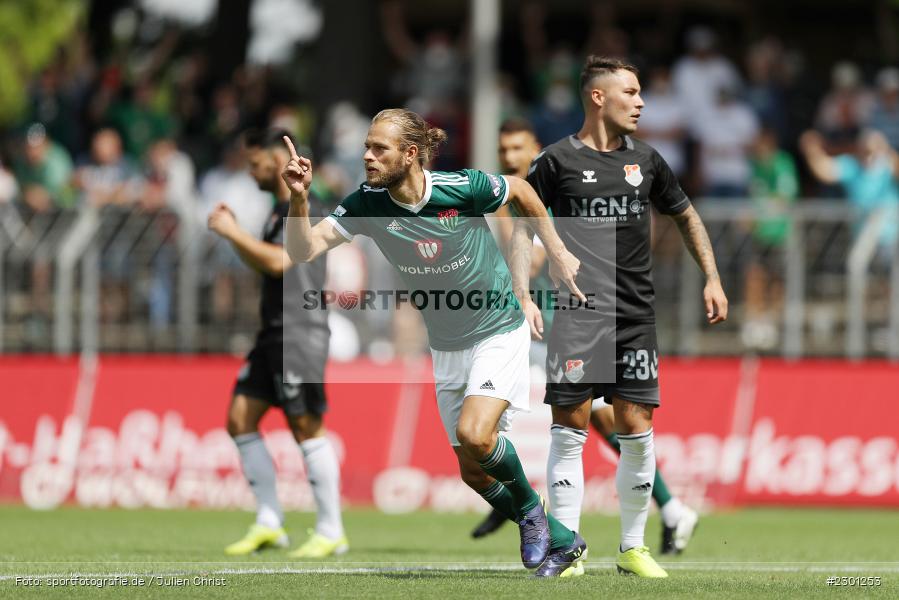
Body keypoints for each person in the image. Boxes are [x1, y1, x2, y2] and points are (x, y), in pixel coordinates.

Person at [283, 108, 587, 577]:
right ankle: (563, 539)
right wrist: (299, 198)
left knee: (475, 434)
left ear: (410, 154)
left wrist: (559, 250)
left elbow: (522, 190)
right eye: (366, 147)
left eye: (379, 148)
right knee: (472, 471)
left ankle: (530, 511)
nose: (367, 156)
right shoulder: (367, 203)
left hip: (497, 327)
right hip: (446, 346)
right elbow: (302, 249)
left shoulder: (461, 187)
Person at [512, 56, 728, 578]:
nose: (641, 102)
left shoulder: (647, 160)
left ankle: (633, 549)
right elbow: (523, 226)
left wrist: (712, 276)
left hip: (634, 317)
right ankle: (568, 549)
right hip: (578, 316)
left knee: (636, 427)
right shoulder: (555, 160)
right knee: (570, 429)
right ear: (598, 97)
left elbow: (686, 216)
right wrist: (523, 294)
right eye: (630, 92)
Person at [473, 118, 700, 556]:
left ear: (535, 150)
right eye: (503, 151)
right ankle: (669, 509)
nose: (509, 158)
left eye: (518, 148)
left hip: (561, 326)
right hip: (526, 329)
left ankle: (666, 509)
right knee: (541, 418)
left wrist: (509, 214)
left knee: (596, 420)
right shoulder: (516, 197)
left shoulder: (545, 200)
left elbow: (530, 262)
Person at [209, 128, 346, 559]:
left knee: (306, 426)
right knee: (240, 418)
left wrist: (232, 232)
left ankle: (331, 530)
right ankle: (270, 522)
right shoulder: (275, 211)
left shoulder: (305, 207)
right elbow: (265, 263)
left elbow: (278, 263)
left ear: (275, 161)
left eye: (255, 164)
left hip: (299, 331)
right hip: (272, 332)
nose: (251, 172)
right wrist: (238, 235)